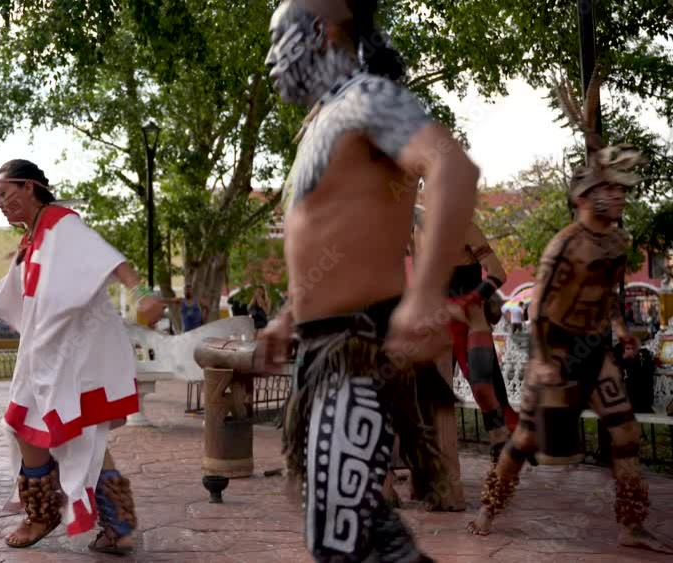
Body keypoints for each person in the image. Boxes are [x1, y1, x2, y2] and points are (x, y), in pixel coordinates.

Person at [258, 1, 479, 561]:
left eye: (276, 37)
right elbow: (333, 241)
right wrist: (289, 316)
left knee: (343, 536)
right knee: (362, 533)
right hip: (324, 348)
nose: (269, 59)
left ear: (317, 30)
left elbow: (452, 167)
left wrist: (426, 295)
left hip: (359, 349)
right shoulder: (324, 123)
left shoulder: (368, 99)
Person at [467, 71, 672, 554]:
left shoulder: (619, 241)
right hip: (554, 353)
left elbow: (609, 294)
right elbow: (537, 307)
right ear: (584, 197)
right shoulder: (564, 245)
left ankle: (631, 524)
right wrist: (541, 361)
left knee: (624, 434)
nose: (620, 195)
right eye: (611, 188)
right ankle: (489, 508)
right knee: (523, 444)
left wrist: (621, 329)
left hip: (593, 350)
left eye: (623, 189)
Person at [0, 159, 163, 554]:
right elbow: (2, 296)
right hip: (47, 353)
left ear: (28, 187)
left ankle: (43, 513)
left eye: (3, 193)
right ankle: (119, 525)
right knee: (78, 435)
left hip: (71, 354)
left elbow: (111, 260)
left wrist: (142, 292)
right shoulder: (34, 239)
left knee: (29, 425)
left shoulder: (63, 224)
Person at [414, 209, 520, 468]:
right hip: (436, 324)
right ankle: (431, 466)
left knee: (485, 389)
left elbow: (498, 274)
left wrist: (469, 300)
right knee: (426, 393)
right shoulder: (416, 231)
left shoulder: (466, 227)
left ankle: (503, 448)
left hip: (469, 322)